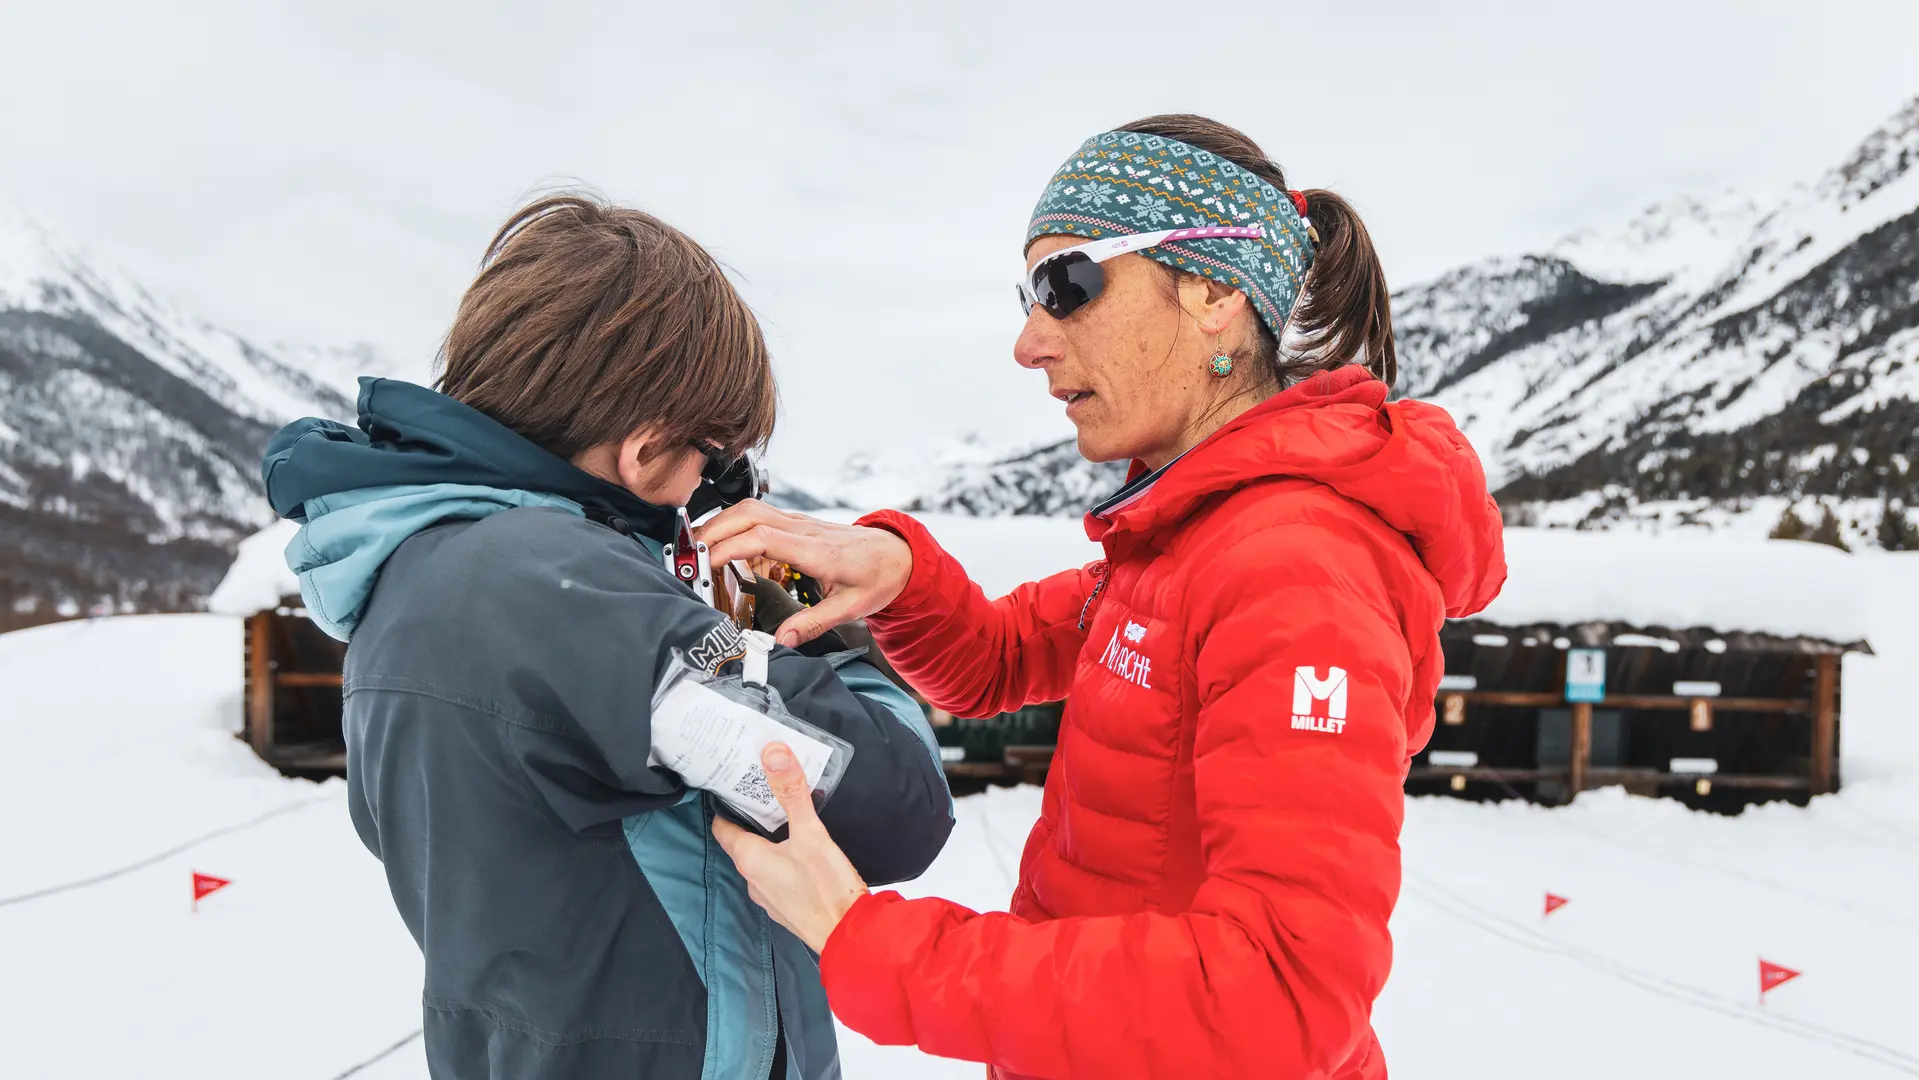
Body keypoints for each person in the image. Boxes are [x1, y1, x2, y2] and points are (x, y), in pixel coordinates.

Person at [699, 116, 1509, 1079]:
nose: (1028, 342)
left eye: (1066, 285)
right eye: (1027, 297)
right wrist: (899, 574)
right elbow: (996, 658)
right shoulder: (1184, 542)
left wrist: (871, 944)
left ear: (1212, 292)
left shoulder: (1294, 565)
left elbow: (1281, 994)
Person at [259, 193, 954, 1080]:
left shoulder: (412, 567)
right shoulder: (570, 593)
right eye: (712, 458)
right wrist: (809, 616)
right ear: (644, 449)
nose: (711, 488)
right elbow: (898, 806)